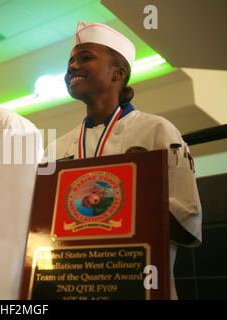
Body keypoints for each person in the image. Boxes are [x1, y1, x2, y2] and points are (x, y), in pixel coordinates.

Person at [46, 22, 202, 299]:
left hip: (138, 284)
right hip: (71, 286)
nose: (71, 67)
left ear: (118, 73)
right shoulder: (55, 148)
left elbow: (187, 222)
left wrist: (115, 207)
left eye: (85, 58)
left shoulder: (156, 130)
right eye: (70, 61)